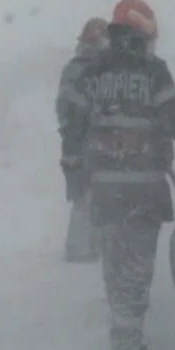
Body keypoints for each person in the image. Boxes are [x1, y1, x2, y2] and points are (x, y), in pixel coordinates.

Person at [58, 0, 175, 350]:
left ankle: (123, 331)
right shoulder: (154, 71)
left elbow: (73, 122)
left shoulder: (93, 72)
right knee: (137, 266)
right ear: (142, 32)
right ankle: (127, 342)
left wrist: (73, 166)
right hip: (144, 188)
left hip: (104, 187)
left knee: (115, 262)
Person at [56, 17, 109, 262]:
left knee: (90, 195)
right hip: (80, 144)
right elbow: (69, 111)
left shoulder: (92, 70)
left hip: (86, 144)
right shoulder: (80, 70)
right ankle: (79, 248)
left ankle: (90, 243)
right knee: (83, 196)